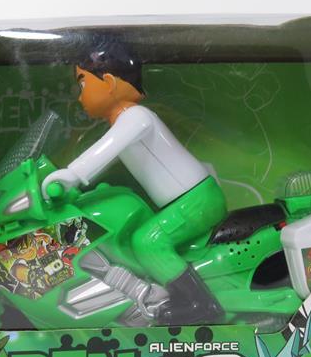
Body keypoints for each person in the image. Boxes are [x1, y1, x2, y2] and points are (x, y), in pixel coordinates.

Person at [41, 40, 227, 324]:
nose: (79, 97)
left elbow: (107, 149)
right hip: (189, 200)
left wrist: (72, 175)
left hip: (197, 201)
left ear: (109, 83)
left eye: (83, 84)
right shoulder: (128, 122)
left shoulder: (135, 117)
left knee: (147, 242)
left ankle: (201, 305)